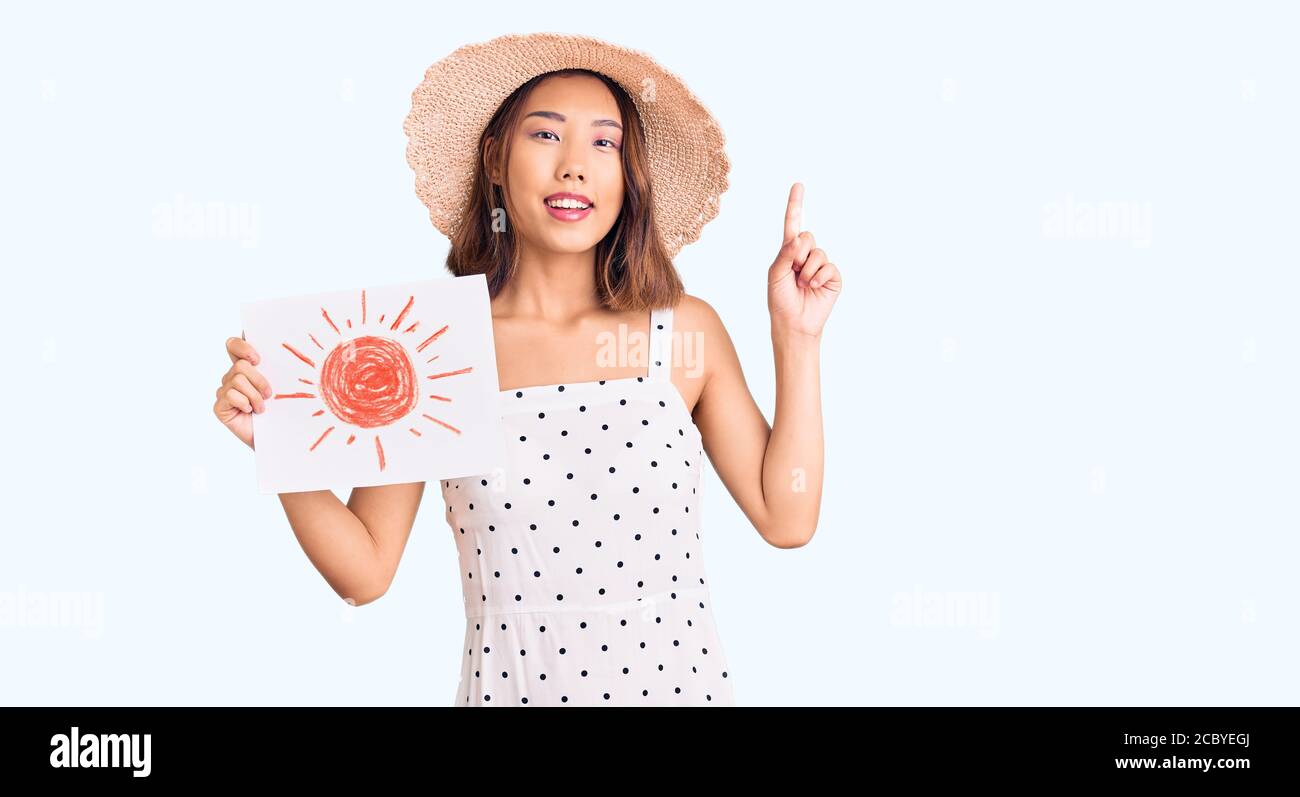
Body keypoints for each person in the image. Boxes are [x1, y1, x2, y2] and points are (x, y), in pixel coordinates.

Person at [212, 33, 842, 706]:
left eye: (605, 143)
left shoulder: (682, 332)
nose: (575, 167)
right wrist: (279, 442)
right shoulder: (435, 350)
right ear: (495, 157)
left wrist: (796, 337)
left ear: (628, 174)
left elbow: (788, 514)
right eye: (545, 135)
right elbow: (363, 572)